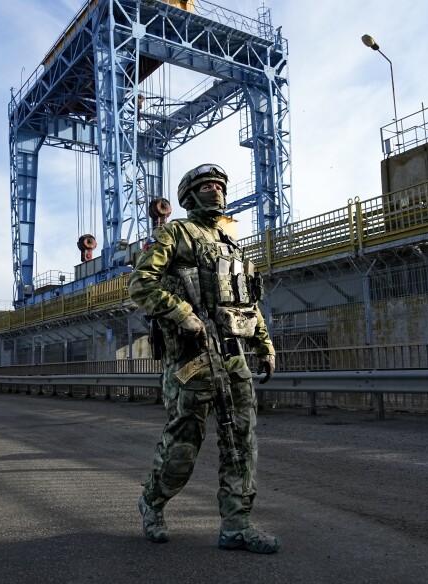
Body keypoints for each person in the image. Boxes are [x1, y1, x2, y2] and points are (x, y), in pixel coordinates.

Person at [128, 163, 280, 554]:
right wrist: (180, 312)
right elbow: (140, 283)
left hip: (232, 359)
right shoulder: (175, 233)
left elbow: (247, 301)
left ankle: (237, 525)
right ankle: (153, 502)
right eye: (207, 185)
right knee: (183, 446)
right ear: (190, 195)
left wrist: (264, 344)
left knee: (241, 444)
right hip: (192, 362)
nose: (216, 190)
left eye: (219, 185)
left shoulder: (231, 243)